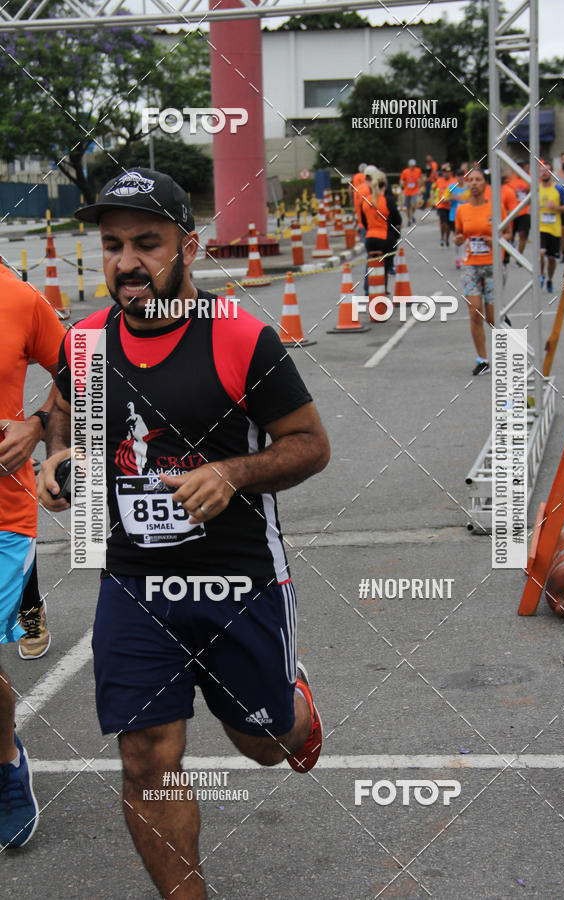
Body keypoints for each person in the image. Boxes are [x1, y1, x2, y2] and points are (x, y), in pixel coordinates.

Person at [38, 167, 330, 899]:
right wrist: (60, 456)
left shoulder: (242, 338)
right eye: (111, 245)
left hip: (239, 577)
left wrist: (231, 473)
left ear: (188, 246)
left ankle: (292, 710)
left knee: (262, 744)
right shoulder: (86, 341)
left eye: (147, 243)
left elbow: (308, 444)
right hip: (134, 581)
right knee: (145, 756)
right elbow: (66, 409)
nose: (127, 262)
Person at [0, 261, 64, 846]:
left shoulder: (18, 299)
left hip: (2, 515)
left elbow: (86, 366)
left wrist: (41, 425)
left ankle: (4, 760)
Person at [454, 168, 507, 375]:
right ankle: (483, 359)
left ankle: (505, 353)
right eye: (471, 180)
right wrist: (457, 239)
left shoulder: (496, 208)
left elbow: (508, 235)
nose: (474, 183)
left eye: (478, 180)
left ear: (485, 184)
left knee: (492, 318)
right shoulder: (462, 210)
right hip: (470, 266)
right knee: (475, 312)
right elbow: (459, 234)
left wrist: (494, 240)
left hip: (493, 265)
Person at [360, 169, 402, 293]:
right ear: (384, 186)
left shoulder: (366, 201)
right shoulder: (388, 200)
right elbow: (397, 219)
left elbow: (364, 221)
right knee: (385, 267)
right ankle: (381, 292)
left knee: (372, 266)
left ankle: (370, 291)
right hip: (385, 238)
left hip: (370, 238)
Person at [539, 163, 564, 294]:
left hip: (554, 229)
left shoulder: (558, 189)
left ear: (551, 173)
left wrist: (556, 208)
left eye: (547, 171)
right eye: (542, 171)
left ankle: (549, 279)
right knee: (540, 253)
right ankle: (541, 275)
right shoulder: (536, 189)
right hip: (541, 228)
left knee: (551, 259)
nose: (545, 173)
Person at [446, 170, 470, 268]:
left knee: (466, 237)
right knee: (457, 237)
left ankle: (463, 256)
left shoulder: (468, 187)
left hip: (467, 215)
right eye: (458, 176)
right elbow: (444, 199)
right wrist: (451, 198)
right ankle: (457, 257)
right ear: (456, 177)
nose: (460, 178)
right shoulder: (451, 188)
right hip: (454, 215)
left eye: (462, 176)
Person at [507, 161, 531, 257]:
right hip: (512, 211)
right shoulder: (510, 180)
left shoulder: (528, 180)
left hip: (524, 211)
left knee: (523, 234)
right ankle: (512, 244)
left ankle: (519, 255)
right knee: (511, 235)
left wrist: (528, 191)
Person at [434, 165, 455, 247]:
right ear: (443, 173)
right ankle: (442, 237)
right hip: (441, 205)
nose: (447, 174)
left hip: (450, 205)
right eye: (445, 172)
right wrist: (434, 199)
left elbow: (456, 192)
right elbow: (434, 190)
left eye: (448, 172)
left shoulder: (454, 181)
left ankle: (447, 238)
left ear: (450, 173)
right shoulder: (439, 181)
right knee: (443, 223)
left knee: (449, 225)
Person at [399, 158, 422, 226]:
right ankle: (409, 219)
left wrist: (420, 188)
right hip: (407, 191)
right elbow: (401, 180)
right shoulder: (405, 171)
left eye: (413, 166)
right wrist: (402, 183)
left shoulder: (418, 170)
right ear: (408, 165)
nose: (412, 167)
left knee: (413, 204)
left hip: (414, 190)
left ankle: (412, 214)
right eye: (411, 166)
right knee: (407, 206)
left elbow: (420, 179)